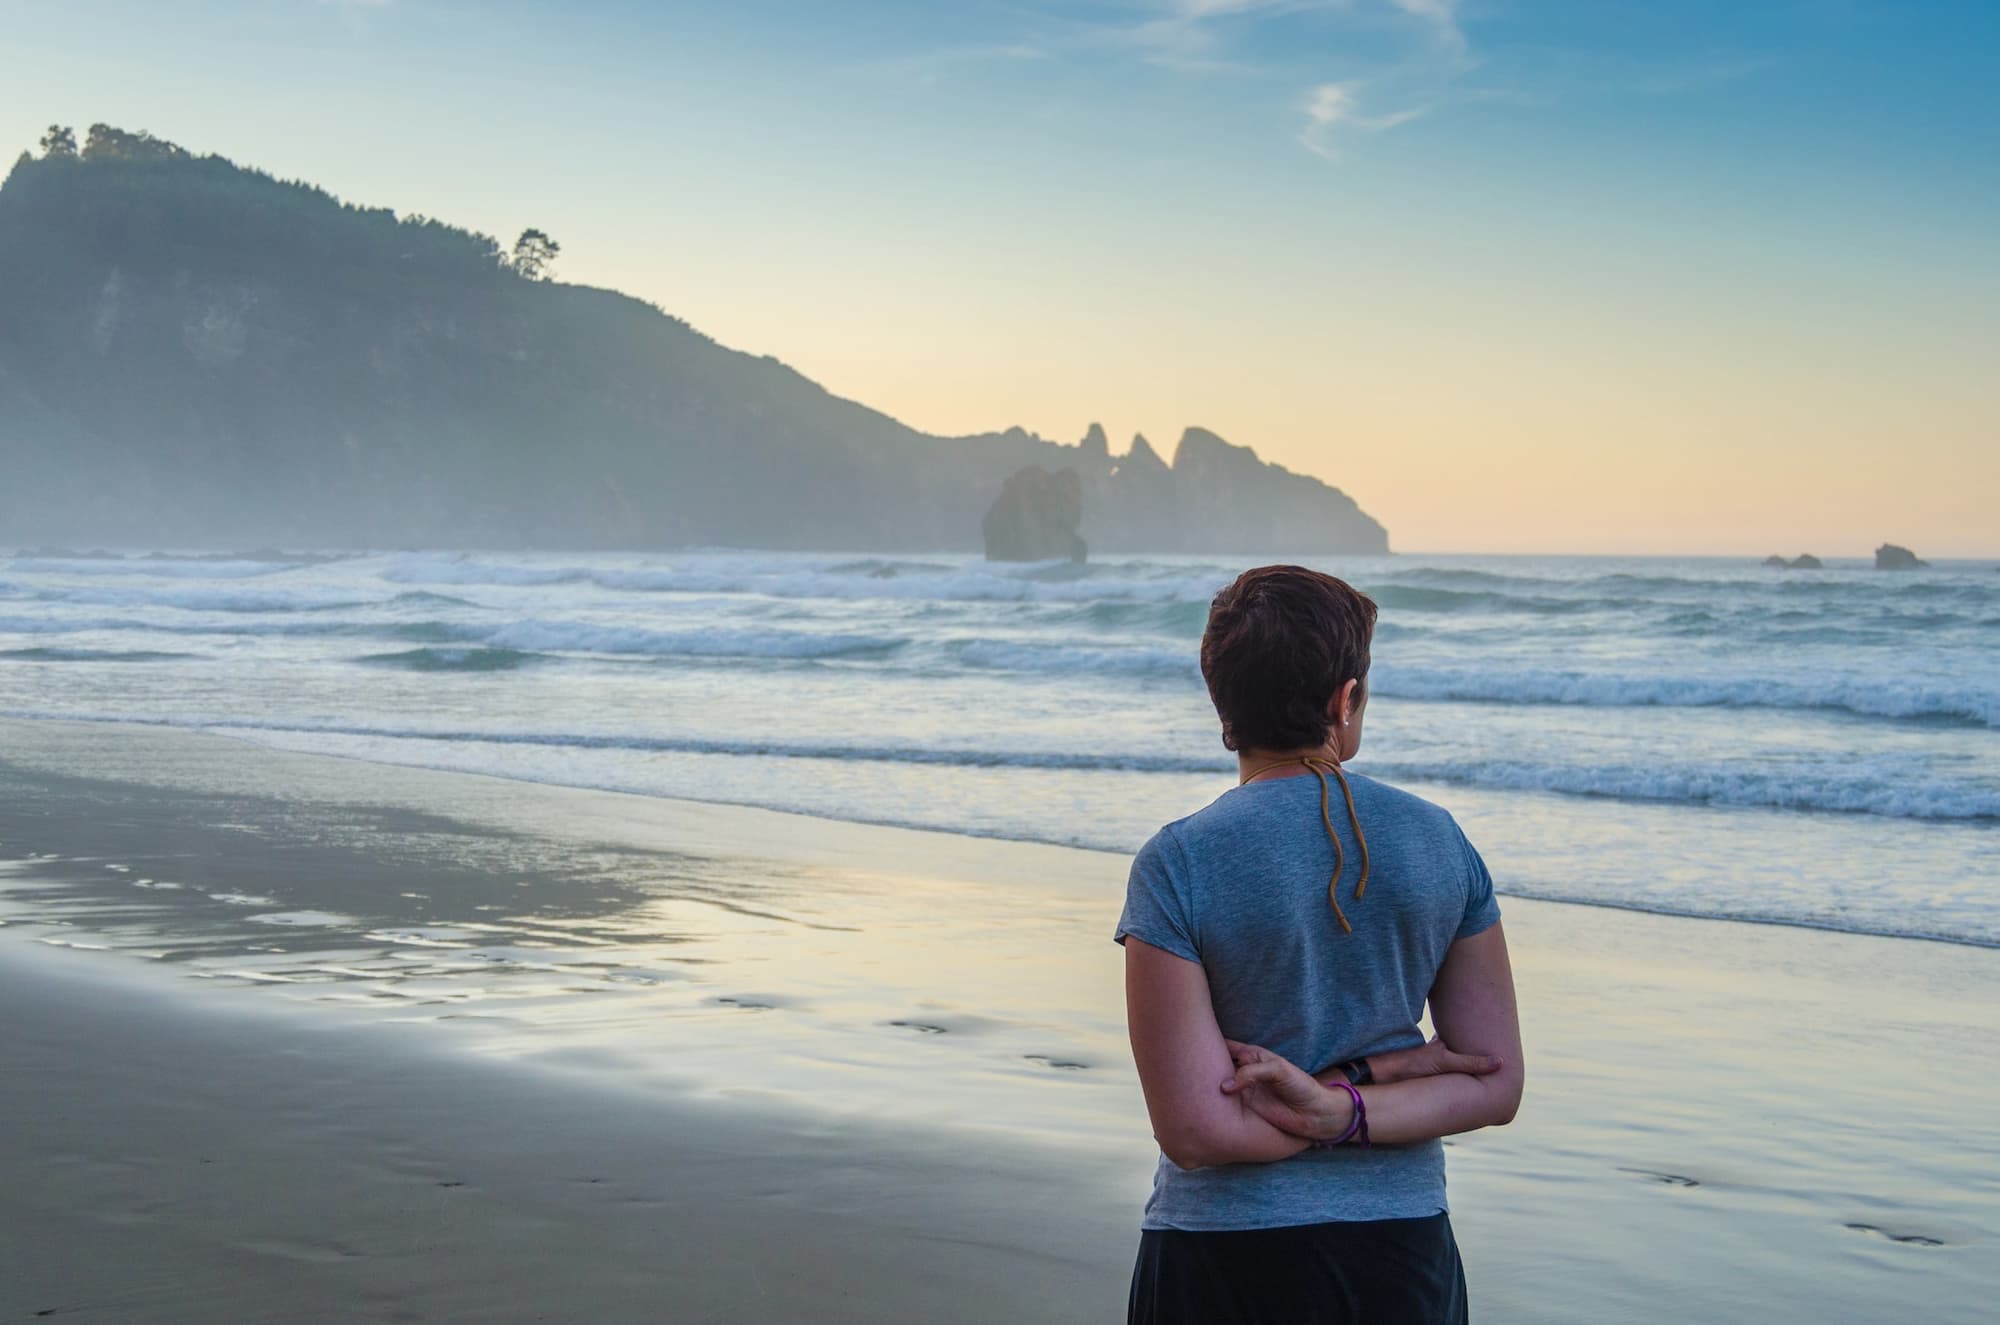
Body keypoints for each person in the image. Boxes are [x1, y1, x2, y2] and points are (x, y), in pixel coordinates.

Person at [1118, 564, 1524, 1324]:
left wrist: (1330, 1101)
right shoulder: (1439, 841)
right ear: (1347, 700)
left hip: (1224, 1249)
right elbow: (1494, 1083)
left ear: (1223, 707)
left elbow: (1197, 1130)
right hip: (1400, 1248)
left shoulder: (1179, 860)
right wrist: (1359, 1097)